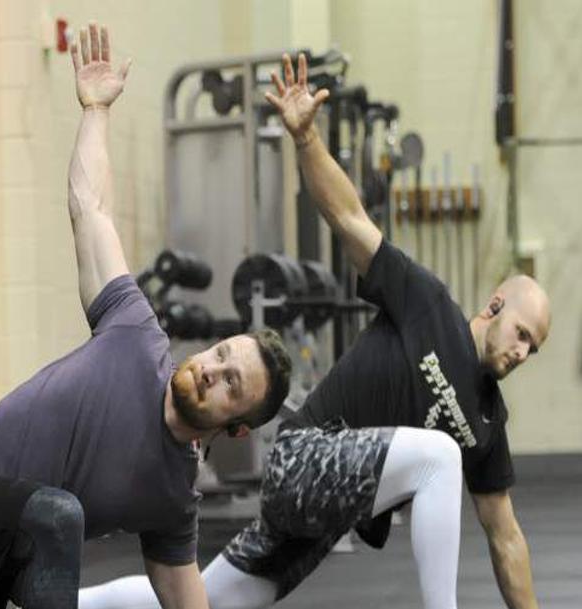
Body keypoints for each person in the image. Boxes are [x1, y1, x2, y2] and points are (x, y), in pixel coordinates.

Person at [78, 52, 551, 609]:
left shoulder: (490, 422)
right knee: (440, 456)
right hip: (305, 456)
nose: (522, 351)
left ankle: (64, 601)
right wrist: (306, 140)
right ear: (495, 305)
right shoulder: (428, 304)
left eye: (533, 347)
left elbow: (507, 536)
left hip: (329, 514)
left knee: (203, 598)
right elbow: (350, 217)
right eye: (521, 333)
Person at [0, 24, 292, 609]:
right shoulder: (133, 333)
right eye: (222, 354)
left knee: (52, 525)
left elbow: (185, 598)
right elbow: (90, 208)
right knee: (58, 514)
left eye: (233, 385)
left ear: (237, 428)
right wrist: (95, 111)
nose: (212, 370)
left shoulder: (172, 499)